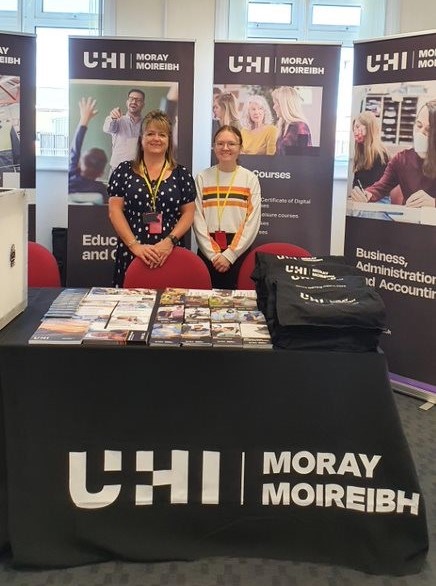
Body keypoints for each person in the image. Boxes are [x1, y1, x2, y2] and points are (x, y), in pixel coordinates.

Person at [107, 109, 196, 287]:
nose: (156, 138)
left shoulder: (182, 174)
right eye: (150, 133)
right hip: (132, 252)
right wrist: (135, 246)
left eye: (162, 134)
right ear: (141, 139)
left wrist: (169, 242)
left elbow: (188, 213)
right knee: (130, 312)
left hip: (171, 252)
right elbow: (114, 211)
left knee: (170, 309)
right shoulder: (123, 171)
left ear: (169, 141)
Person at [194, 125, 261, 289]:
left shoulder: (249, 179)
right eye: (220, 143)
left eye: (231, 144)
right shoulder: (202, 177)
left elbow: (252, 222)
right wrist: (213, 255)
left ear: (240, 148)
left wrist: (230, 255)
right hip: (208, 252)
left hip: (238, 254)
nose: (225, 148)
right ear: (214, 146)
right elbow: (197, 218)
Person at [350, 98, 436, 208]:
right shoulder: (401, 160)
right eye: (419, 126)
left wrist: (433, 203)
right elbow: (381, 186)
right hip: (409, 220)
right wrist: (367, 194)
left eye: (428, 130)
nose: (420, 133)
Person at [68, 97, 108, 202]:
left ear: (80, 165)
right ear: (101, 173)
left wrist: (84, 119)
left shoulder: (70, 179)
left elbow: (75, 149)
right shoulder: (101, 190)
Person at [103, 88, 145, 171]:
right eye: (131, 98)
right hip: (117, 169)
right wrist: (112, 117)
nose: (134, 102)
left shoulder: (147, 123)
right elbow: (107, 128)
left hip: (139, 170)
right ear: (127, 102)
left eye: (138, 100)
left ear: (143, 104)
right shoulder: (117, 119)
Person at [351, 110, 389, 189]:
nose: (355, 132)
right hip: (364, 197)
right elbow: (356, 183)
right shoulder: (361, 151)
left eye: (358, 127)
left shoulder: (381, 155)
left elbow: (376, 189)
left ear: (369, 129)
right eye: (354, 128)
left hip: (378, 199)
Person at [271, 86, 312, 153]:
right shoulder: (283, 126)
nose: (273, 107)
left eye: (275, 103)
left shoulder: (301, 127)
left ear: (284, 105)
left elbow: (305, 158)